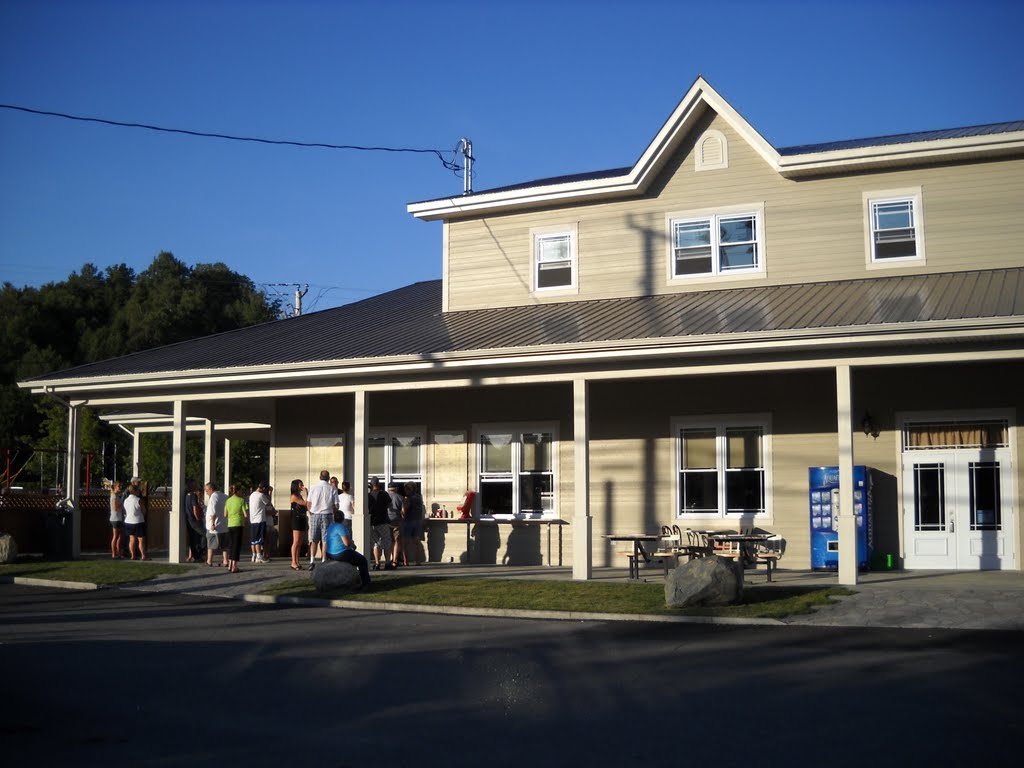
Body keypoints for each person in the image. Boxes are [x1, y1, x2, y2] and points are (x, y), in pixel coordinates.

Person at [325, 514, 371, 589]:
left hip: (330, 553)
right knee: (362, 560)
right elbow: (346, 543)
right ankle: (366, 583)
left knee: (353, 558)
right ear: (343, 518)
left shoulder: (331, 526)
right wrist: (352, 545)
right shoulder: (341, 527)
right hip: (340, 553)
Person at [306, 469, 337, 570]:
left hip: (315, 514)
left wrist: (310, 512)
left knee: (314, 539)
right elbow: (335, 504)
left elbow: (308, 503)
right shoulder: (332, 488)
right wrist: (334, 511)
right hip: (327, 514)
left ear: (320, 477)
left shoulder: (313, 487)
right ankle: (324, 560)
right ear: (328, 478)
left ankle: (312, 561)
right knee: (325, 540)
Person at [367, 477, 392, 570]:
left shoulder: (368, 496)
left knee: (375, 543)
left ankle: (377, 563)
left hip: (372, 522)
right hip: (383, 521)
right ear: (378, 484)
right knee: (387, 542)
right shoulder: (384, 494)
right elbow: (390, 505)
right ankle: (387, 562)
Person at [224, 484, 249, 573]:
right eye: (241, 491)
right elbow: (246, 515)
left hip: (230, 524)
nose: (241, 492)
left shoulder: (228, 501)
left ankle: (230, 564)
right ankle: (234, 566)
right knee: (236, 545)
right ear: (238, 491)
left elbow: (225, 515)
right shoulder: (241, 500)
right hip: (238, 524)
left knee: (231, 545)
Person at [204, 482, 229, 567]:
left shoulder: (213, 498)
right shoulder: (225, 496)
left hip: (215, 525)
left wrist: (213, 523)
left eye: (206, 491)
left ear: (211, 489)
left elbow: (213, 512)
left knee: (211, 544)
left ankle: (209, 560)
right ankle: (225, 561)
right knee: (224, 545)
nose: (206, 493)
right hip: (224, 525)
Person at [401, 481, 425, 566]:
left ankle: (405, 561)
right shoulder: (419, 497)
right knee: (417, 543)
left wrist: (401, 517)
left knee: (405, 543)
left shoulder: (407, 498)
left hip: (408, 522)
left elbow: (404, 510)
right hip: (418, 521)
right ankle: (418, 561)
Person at [289, 479, 309, 571]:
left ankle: (297, 561)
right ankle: (293, 562)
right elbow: (306, 504)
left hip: (302, 518)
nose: (302, 486)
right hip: (296, 519)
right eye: (301, 485)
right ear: (296, 486)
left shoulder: (299, 495)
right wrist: (306, 493)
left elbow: (307, 507)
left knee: (300, 542)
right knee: (296, 541)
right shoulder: (294, 496)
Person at [123, 483, 147, 560]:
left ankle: (132, 555)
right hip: (138, 521)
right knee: (141, 540)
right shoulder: (138, 500)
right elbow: (143, 510)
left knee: (132, 539)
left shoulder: (126, 500)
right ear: (136, 491)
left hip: (128, 521)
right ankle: (143, 555)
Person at [248, 481, 270, 563]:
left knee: (253, 539)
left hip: (253, 519)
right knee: (259, 539)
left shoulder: (252, 495)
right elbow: (268, 503)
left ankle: (254, 555)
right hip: (260, 519)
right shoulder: (261, 495)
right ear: (263, 488)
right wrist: (269, 493)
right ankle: (259, 556)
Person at [183, 480, 204, 563]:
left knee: (192, 539)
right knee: (203, 535)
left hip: (188, 520)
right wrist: (197, 517)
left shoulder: (186, 495)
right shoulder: (193, 495)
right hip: (194, 520)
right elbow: (194, 507)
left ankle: (195, 556)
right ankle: (199, 554)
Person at [386, 482, 404, 567]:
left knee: (388, 541)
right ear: (396, 488)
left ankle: (387, 560)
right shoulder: (400, 497)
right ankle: (395, 561)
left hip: (386, 520)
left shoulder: (384, 496)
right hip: (397, 521)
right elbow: (403, 511)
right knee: (396, 541)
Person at [109, 481, 124, 559]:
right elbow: (115, 508)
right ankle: (113, 553)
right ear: (115, 487)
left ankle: (119, 553)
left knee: (119, 536)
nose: (120, 488)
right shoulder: (114, 496)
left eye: (121, 486)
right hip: (115, 519)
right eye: (119, 486)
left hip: (119, 518)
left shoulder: (117, 496)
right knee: (115, 536)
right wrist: (121, 505)